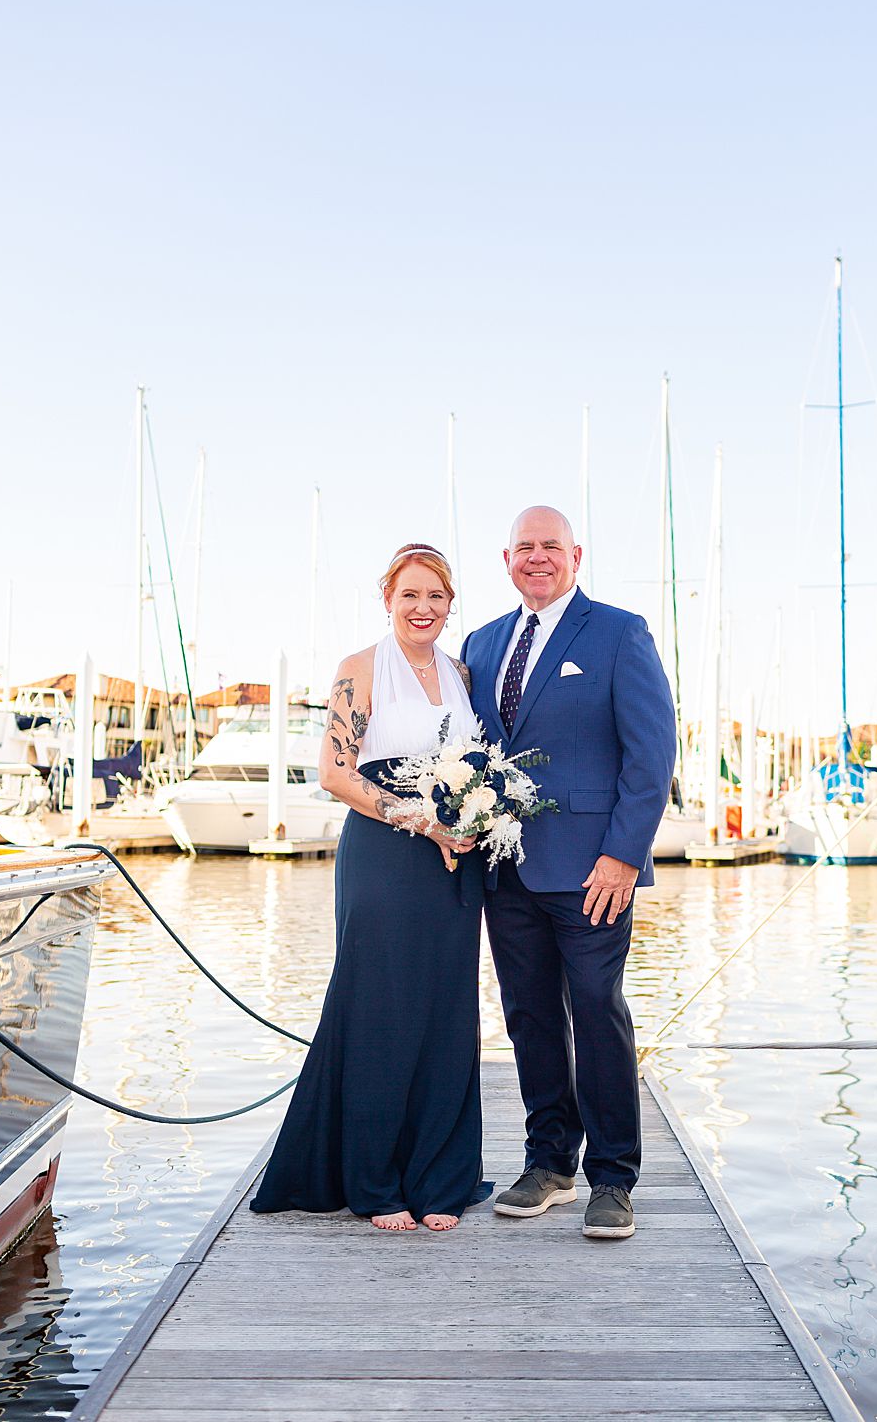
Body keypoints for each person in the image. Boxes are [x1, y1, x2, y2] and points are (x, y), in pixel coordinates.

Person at [252, 543, 491, 1233]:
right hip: (386, 855)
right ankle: (376, 1180)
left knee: (448, 1010)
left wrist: (474, 818)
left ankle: (442, 1175)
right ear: (387, 597)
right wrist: (420, 820)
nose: (423, 608)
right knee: (382, 1009)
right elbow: (333, 772)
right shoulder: (359, 671)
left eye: (437, 597)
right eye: (410, 595)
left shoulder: (464, 675)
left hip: (455, 862)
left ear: (450, 605)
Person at [461, 505, 676, 1239]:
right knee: (528, 1018)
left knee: (597, 1011)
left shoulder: (619, 632)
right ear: (507, 558)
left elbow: (651, 753)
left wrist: (623, 854)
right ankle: (550, 1161)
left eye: (551, 546)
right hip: (505, 870)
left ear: (576, 555)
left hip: (593, 870)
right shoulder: (483, 643)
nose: (538, 557)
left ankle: (614, 1178)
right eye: (525, 547)